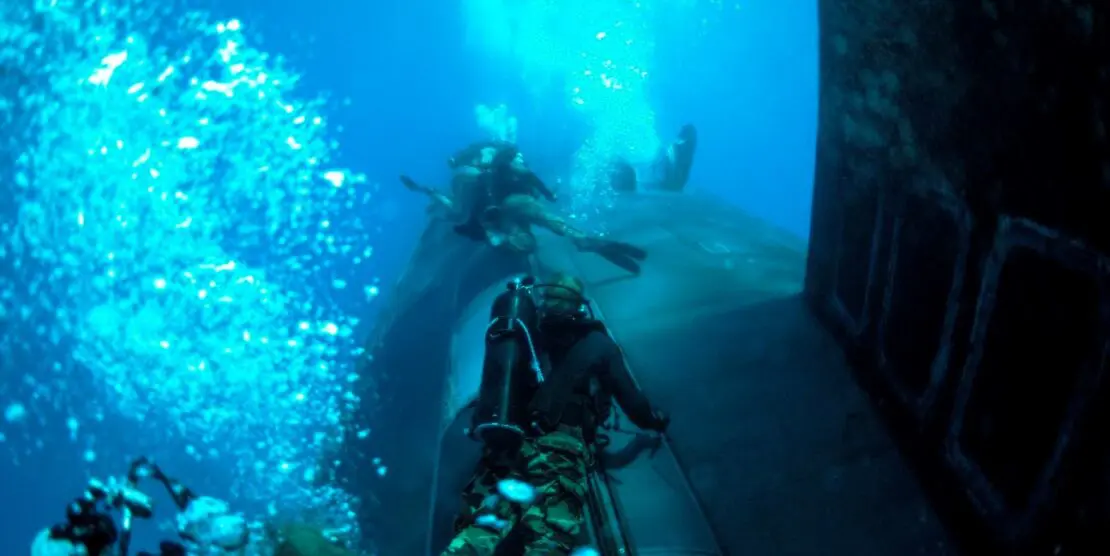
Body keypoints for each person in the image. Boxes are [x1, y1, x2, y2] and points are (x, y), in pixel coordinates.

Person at [442, 272, 670, 556]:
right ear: (579, 306)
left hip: (508, 445)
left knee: (482, 528)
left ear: (545, 300)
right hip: (560, 450)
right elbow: (632, 402)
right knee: (548, 540)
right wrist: (656, 422)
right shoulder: (598, 344)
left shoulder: (528, 332)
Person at [400, 142, 649, 273]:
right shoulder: (510, 165)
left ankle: (497, 240)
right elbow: (534, 183)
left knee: (526, 244)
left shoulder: (481, 175)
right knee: (553, 222)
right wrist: (550, 192)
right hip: (522, 202)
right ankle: (582, 239)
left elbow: (457, 209)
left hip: (503, 214)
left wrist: (429, 191)